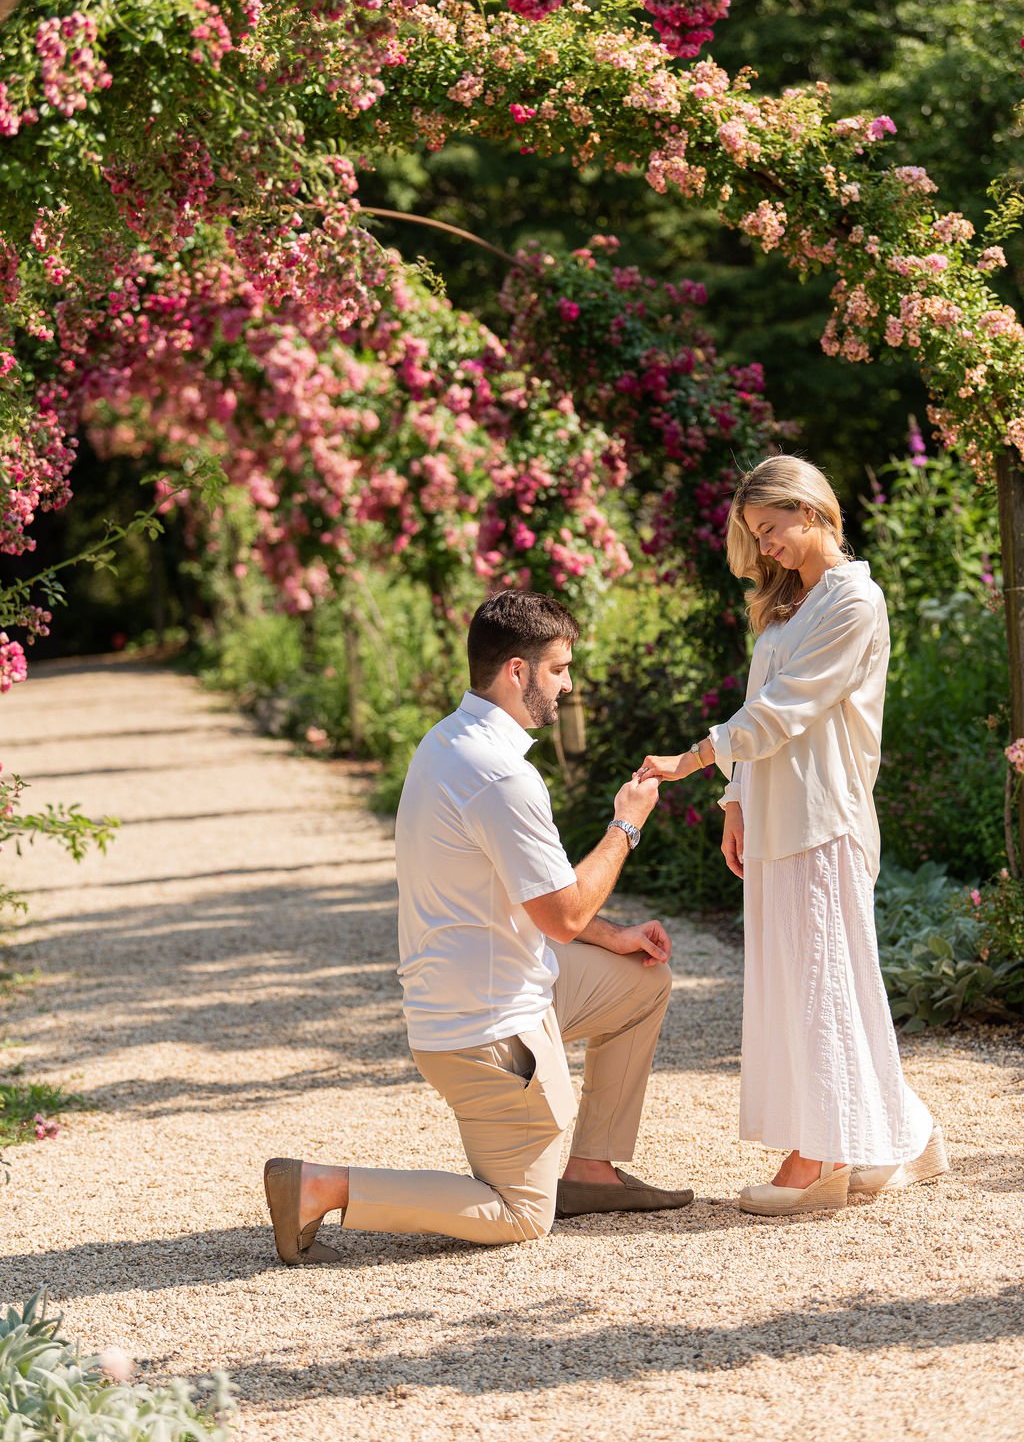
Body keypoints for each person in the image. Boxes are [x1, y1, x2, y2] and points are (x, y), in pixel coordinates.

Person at [264, 589, 694, 1263]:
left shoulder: (446, 742)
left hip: (483, 999)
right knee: (521, 1213)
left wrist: (614, 937)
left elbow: (533, 900)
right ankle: (322, 1185)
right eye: (557, 669)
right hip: (486, 1036)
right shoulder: (501, 776)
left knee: (640, 979)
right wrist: (626, 824)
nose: (568, 683)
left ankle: (592, 1169)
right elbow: (563, 913)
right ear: (516, 673)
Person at [638, 455, 947, 1217]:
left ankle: (824, 1153)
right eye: (754, 535)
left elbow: (789, 710)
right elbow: (760, 701)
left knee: (823, 981)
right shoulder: (788, 607)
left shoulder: (854, 600)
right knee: (806, 980)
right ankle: (909, 1134)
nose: (765, 547)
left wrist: (695, 757)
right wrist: (734, 800)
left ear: (811, 512)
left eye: (771, 530)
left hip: (822, 817)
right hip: (777, 815)